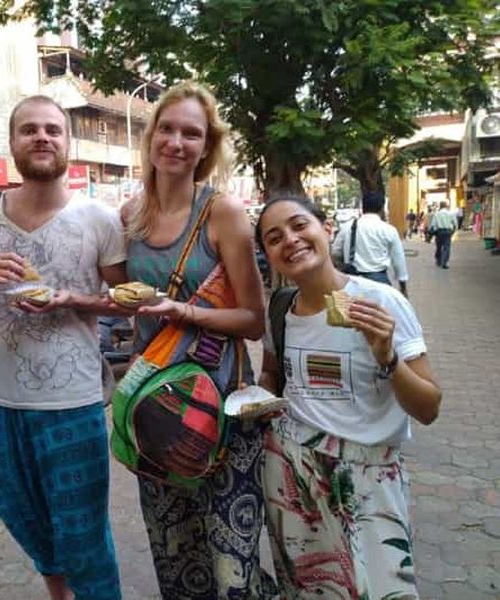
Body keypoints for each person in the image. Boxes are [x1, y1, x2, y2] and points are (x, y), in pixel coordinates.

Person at [0, 95, 127, 600]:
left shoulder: (99, 218)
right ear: (12, 143)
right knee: (16, 509)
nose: (42, 137)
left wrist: (74, 299)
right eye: (30, 129)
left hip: (72, 401)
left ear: (68, 144)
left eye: (52, 129)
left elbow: (124, 301)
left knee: (84, 535)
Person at [119, 81, 273, 599]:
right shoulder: (131, 217)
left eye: (192, 133)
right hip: (156, 411)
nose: (176, 142)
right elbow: (121, 303)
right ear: (151, 137)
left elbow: (253, 320)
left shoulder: (222, 213)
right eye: (167, 128)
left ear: (206, 147)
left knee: (232, 565)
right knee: (173, 556)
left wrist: (181, 311)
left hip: (223, 409)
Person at [255, 195, 441, 599]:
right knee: (307, 588)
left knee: (379, 589)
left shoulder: (380, 303)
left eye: (299, 225)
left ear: (327, 229)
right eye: (274, 237)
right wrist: (257, 397)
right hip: (291, 472)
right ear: (268, 254)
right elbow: (272, 372)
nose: (290, 239)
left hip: (366, 477)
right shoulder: (280, 308)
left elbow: (428, 408)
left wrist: (388, 357)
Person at [332, 191, 409, 296]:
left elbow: (335, 252)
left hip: (352, 281)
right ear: (382, 208)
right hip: (379, 281)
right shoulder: (388, 230)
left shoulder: (348, 227)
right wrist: (403, 288)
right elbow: (398, 261)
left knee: (351, 311)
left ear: (363, 208)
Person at [429, 200, 458, 269]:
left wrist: (431, 232)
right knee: (446, 247)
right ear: (446, 206)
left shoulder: (436, 214)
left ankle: (438, 260)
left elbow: (433, 225)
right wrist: (453, 231)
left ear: (440, 206)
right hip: (448, 232)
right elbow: (455, 224)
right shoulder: (451, 214)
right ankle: (444, 262)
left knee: (438, 247)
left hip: (439, 232)